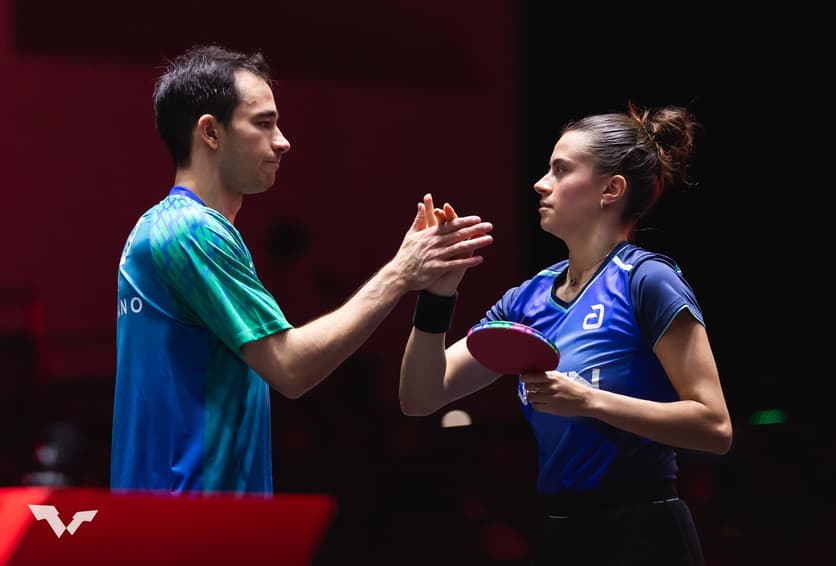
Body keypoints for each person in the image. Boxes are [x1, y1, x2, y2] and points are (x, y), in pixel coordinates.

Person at [110, 44, 494, 496]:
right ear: (210, 133)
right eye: (263, 123)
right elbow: (290, 369)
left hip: (182, 520)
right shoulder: (190, 231)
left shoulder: (161, 227)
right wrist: (401, 273)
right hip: (190, 525)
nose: (283, 141)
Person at [399, 102, 733, 565]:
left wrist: (587, 401)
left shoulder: (646, 281)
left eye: (560, 170)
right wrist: (437, 297)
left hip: (645, 530)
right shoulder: (527, 299)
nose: (540, 182)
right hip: (561, 531)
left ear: (611, 189)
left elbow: (714, 427)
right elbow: (421, 396)